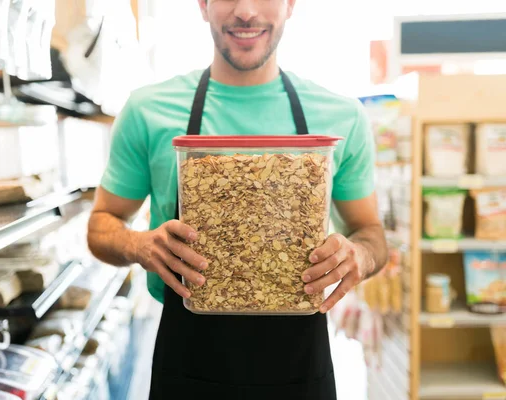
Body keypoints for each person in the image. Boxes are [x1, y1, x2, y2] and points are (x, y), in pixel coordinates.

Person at [87, 0, 388, 398]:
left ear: (290, 5)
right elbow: (100, 225)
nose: (245, 11)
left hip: (298, 368)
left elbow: (371, 234)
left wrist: (359, 256)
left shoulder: (341, 116)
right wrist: (138, 244)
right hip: (188, 364)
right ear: (203, 6)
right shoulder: (148, 110)